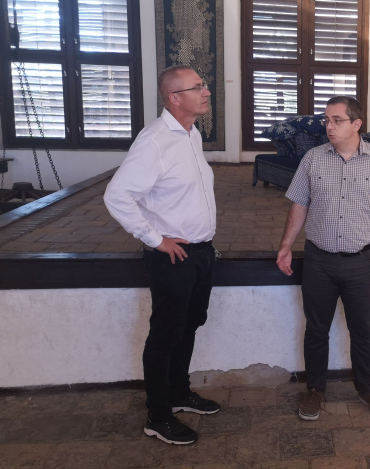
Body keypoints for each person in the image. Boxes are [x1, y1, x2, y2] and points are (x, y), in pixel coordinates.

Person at [104, 65, 220, 445]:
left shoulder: (191, 135)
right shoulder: (154, 141)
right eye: (197, 87)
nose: (206, 91)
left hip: (200, 253)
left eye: (204, 85)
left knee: (189, 325)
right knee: (165, 336)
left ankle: (178, 393)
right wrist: (156, 239)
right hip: (173, 258)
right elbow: (117, 196)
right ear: (174, 98)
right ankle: (158, 416)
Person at [276, 96, 370, 421]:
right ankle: (315, 391)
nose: (329, 127)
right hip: (318, 260)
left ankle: (367, 388)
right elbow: (299, 203)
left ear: (356, 124)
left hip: (362, 262)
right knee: (316, 330)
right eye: (327, 120)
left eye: (337, 120)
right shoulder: (313, 159)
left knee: (363, 330)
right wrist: (286, 245)